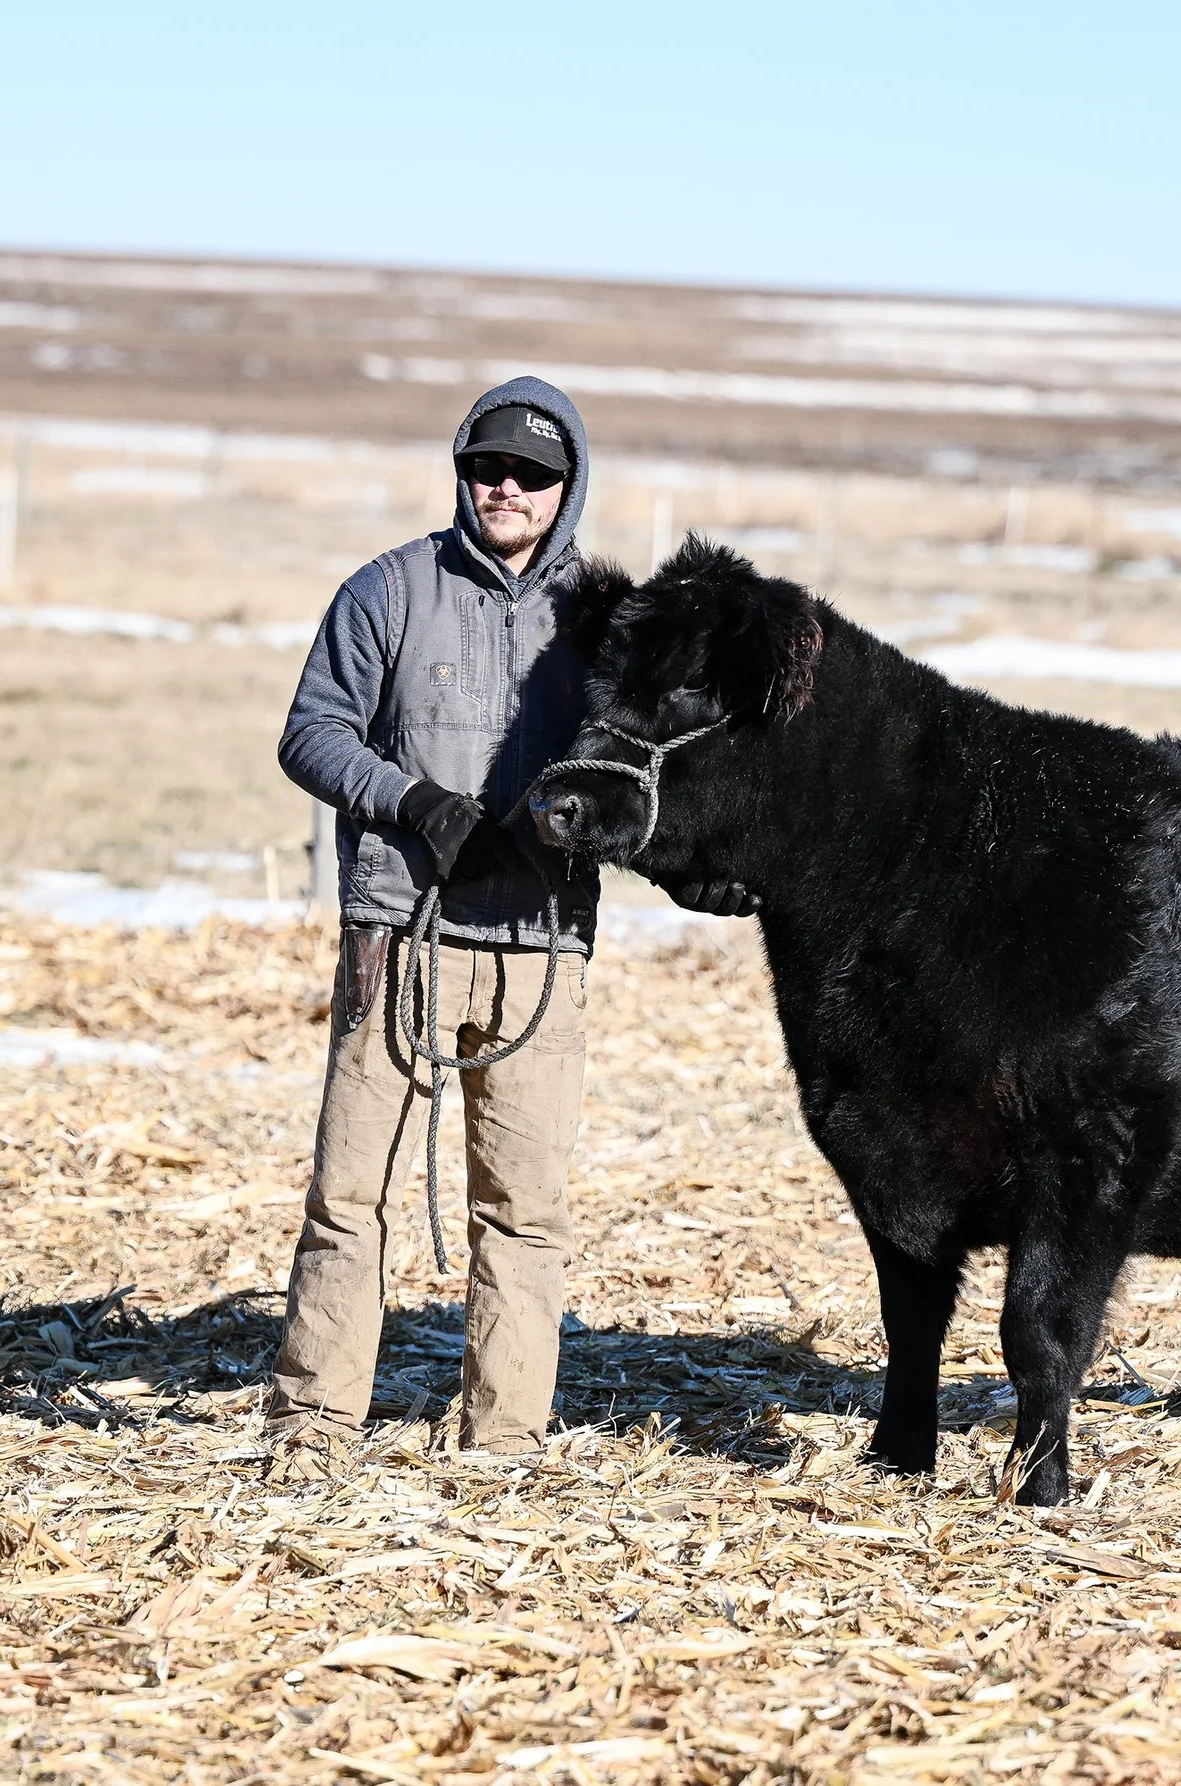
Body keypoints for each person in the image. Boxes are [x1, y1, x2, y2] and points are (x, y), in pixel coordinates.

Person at [266, 376, 745, 1475]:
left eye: (534, 473)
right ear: (461, 471)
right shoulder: (388, 590)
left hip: (541, 948)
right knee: (349, 1194)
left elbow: (651, 768)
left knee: (524, 1211)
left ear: (567, 487)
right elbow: (310, 733)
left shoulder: (606, 622)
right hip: (401, 931)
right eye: (489, 467)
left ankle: (505, 1435)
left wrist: (690, 871)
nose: (508, 488)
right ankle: (313, 1421)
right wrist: (410, 801)